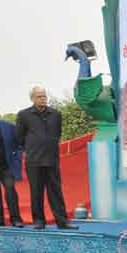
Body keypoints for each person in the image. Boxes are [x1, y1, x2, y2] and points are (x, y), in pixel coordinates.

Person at [15, 86, 76, 229]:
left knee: (56, 191)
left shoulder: (55, 114)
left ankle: (63, 221)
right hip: (34, 160)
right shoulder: (24, 115)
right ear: (32, 99)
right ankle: (39, 221)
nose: (42, 99)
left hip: (52, 159)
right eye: (39, 96)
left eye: (44, 96)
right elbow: (19, 137)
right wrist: (32, 148)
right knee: (36, 192)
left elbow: (57, 134)